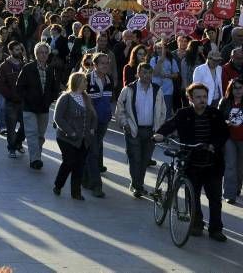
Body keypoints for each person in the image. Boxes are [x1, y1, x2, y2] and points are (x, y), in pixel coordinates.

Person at [155, 83, 229, 242]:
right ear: (190, 98)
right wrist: (160, 134)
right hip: (191, 161)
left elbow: (223, 133)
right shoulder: (183, 113)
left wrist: (213, 145)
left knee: (215, 198)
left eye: (204, 97)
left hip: (212, 163)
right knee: (192, 196)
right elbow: (170, 124)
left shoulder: (215, 114)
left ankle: (216, 229)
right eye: (198, 97)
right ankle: (196, 223)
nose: (202, 100)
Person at [114, 63, 167, 198]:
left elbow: (162, 111)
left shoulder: (157, 90)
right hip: (133, 130)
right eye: (143, 72)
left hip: (151, 131)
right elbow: (120, 108)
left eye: (149, 73)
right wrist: (124, 123)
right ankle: (137, 187)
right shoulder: (129, 89)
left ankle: (137, 183)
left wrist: (159, 127)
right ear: (138, 74)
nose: (146, 75)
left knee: (144, 160)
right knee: (135, 158)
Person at [52, 72, 97, 200]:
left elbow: (94, 116)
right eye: (84, 81)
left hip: (84, 140)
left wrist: (92, 129)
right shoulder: (65, 97)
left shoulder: (86, 98)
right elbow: (58, 118)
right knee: (69, 162)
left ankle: (76, 192)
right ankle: (58, 185)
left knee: (80, 165)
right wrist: (70, 131)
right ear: (76, 82)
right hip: (66, 138)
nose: (86, 83)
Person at [15, 42, 59, 170]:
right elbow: (19, 87)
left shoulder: (50, 69)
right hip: (29, 108)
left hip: (44, 108)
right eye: (41, 52)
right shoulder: (28, 68)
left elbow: (53, 88)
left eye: (46, 52)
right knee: (32, 133)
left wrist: (50, 99)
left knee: (40, 135)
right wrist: (27, 99)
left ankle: (37, 155)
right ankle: (35, 159)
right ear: (36, 54)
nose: (44, 55)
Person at [82, 52, 114, 198]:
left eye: (107, 63)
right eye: (102, 63)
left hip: (103, 121)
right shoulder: (87, 79)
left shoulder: (109, 79)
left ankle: (85, 179)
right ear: (95, 65)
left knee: (92, 150)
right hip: (90, 123)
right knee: (94, 152)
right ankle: (97, 185)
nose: (105, 66)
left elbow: (108, 101)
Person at [0, 41, 26, 157]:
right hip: (11, 102)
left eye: (20, 49)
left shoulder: (24, 65)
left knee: (26, 126)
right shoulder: (4, 66)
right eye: (16, 50)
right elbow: (1, 84)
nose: (19, 52)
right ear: (10, 51)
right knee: (11, 127)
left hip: (24, 102)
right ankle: (12, 148)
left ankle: (18, 143)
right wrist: (10, 96)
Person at [218, 77, 243, 204]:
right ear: (231, 89)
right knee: (230, 165)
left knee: (240, 167)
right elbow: (217, 119)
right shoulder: (225, 101)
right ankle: (229, 194)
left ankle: (237, 187)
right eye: (235, 88)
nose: (238, 90)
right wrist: (225, 122)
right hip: (230, 138)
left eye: (240, 87)